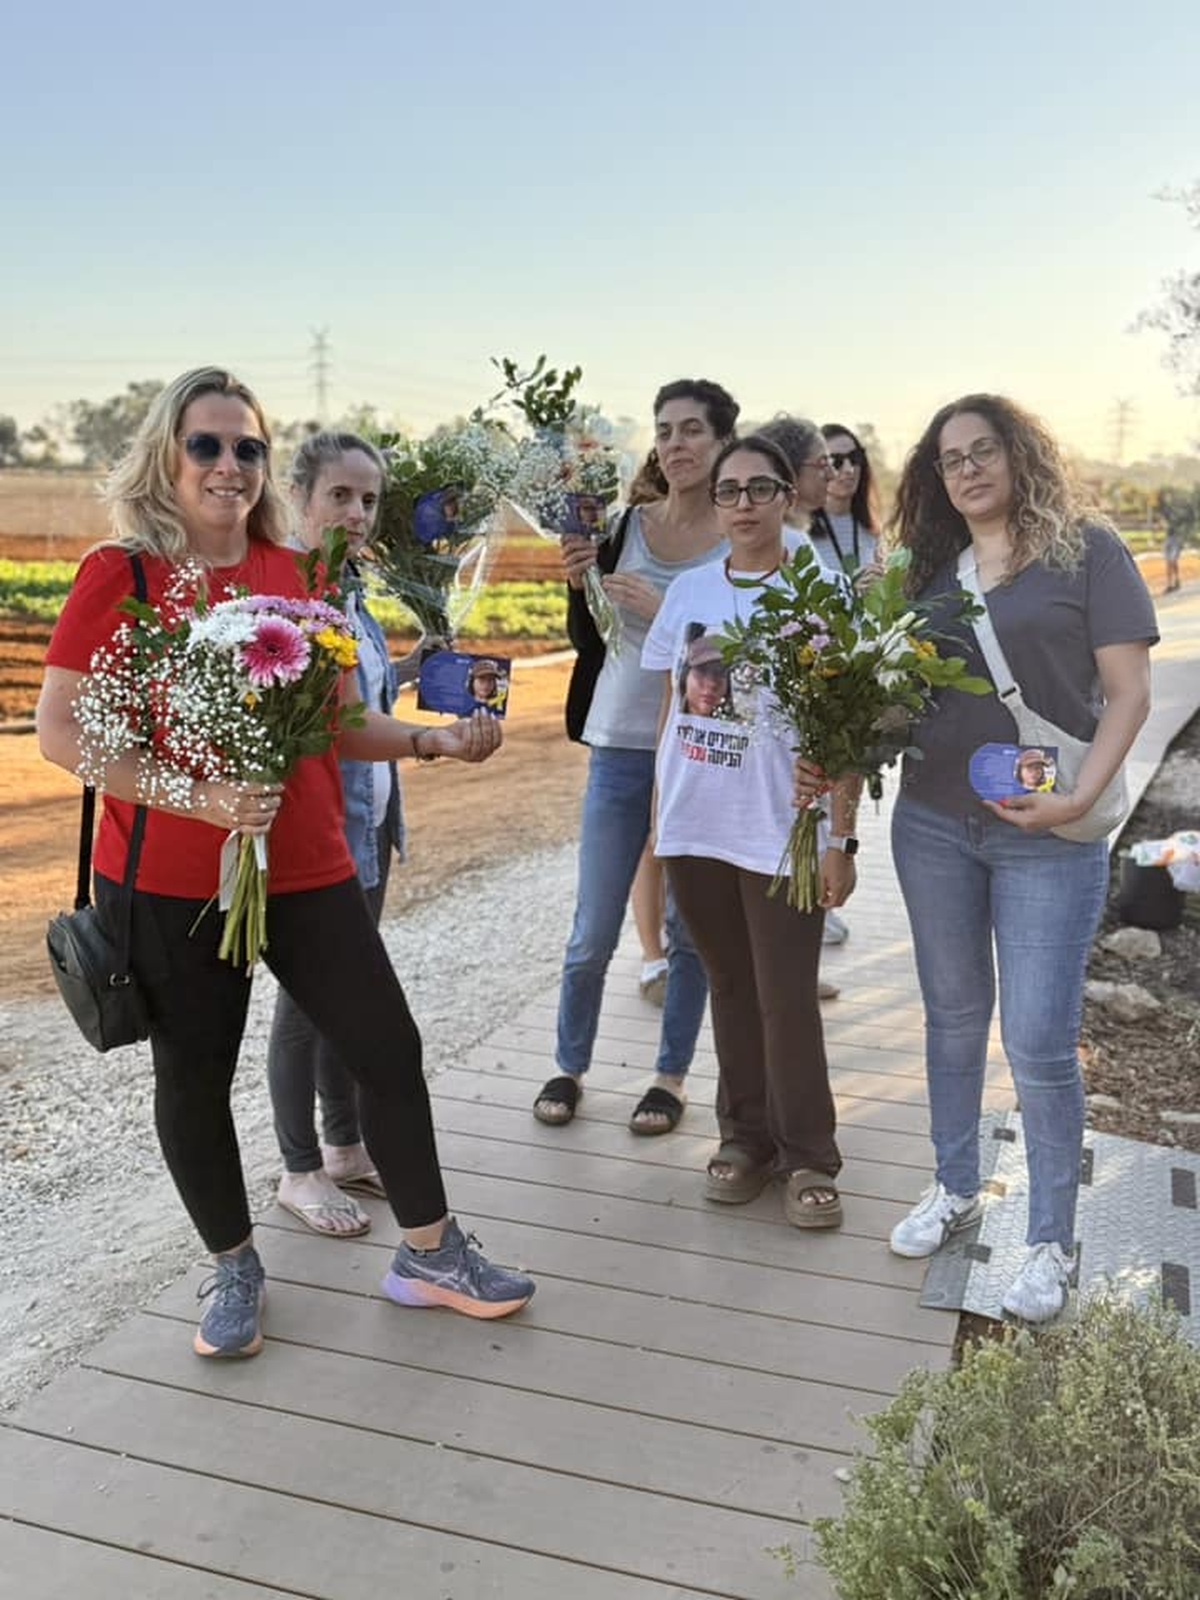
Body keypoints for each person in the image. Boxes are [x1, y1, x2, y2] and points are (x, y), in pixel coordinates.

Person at [37, 367, 535, 1360]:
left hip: (306, 862)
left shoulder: (295, 573)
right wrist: (206, 799)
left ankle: (430, 1256)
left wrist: (433, 743)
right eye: (207, 444)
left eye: (248, 447)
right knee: (192, 1079)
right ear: (167, 456)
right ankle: (235, 1264)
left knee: (386, 1048)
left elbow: (342, 724)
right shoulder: (123, 575)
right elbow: (62, 734)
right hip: (169, 878)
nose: (229, 464)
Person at [882, 393, 1157, 1322]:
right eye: (950, 459)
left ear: (1019, 454)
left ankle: (1049, 1240)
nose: (967, 469)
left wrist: (1080, 799)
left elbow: (1128, 694)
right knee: (953, 1019)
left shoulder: (1089, 551)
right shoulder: (927, 568)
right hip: (930, 823)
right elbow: (895, 694)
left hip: (1047, 832)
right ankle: (955, 1185)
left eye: (983, 450)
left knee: (1039, 1044)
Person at [642, 434, 861, 1227]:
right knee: (728, 986)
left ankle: (810, 1155)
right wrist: (659, 812)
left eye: (758, 489)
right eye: (728, 491)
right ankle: (746, 1140)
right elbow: (671, 709)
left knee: (787, 997)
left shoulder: (821, 591)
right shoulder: (688, 592)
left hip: (781, 827)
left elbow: (850, 726)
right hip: (695, 825)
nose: (741, 504)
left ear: (785, 497)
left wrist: (841, 837)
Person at [534, 379, 739, 1135]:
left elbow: (744, 653)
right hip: (619, 744)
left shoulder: (737, 537)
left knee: (688, 925)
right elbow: (593, 640)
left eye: (692, 430)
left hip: (698, 750)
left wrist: (671, 612)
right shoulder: (622, 525)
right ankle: (567, 1064)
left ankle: (671, 1076)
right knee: (593, 927)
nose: (676, 444)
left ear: (721, 442)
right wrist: (576, 584)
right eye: (665, 430)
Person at [265, 431, 407, 1238]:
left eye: (369, 499)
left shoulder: (350, 592)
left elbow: (361, 703)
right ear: (301, 497)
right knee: (303, 1009)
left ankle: (346, 1146)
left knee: (342, 1001)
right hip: (311, 840)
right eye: (340, 497)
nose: (356, 513)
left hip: (370, 831)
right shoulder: (284, 596)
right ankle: (299, 1168)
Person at [759, 415, 853, 964]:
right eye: (824, 464)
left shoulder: (798, 539)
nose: (833, 474)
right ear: (794, 473)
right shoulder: (791, 544)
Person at [819, 422, 883, 579]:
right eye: (836, 461)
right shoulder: (799, 534)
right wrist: (851, 590)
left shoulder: (872, 531)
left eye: (854, 458)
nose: (849, 470)